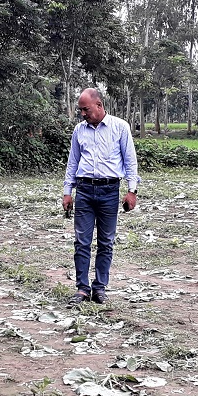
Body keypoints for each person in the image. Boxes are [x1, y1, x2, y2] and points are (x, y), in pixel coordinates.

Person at [61, 88, 140, 306]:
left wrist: (131, 191)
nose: (82, 114)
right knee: (81, 242)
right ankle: (82, 289)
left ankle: (99, 288)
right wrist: (68, 192)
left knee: (106, 242)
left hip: (109, 191)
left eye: (85, 109)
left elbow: (130, 161)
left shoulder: (120, 127)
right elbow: (73, 162)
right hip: (84, 190)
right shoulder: (79, 130)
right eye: (80, 110)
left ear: (99, 105)